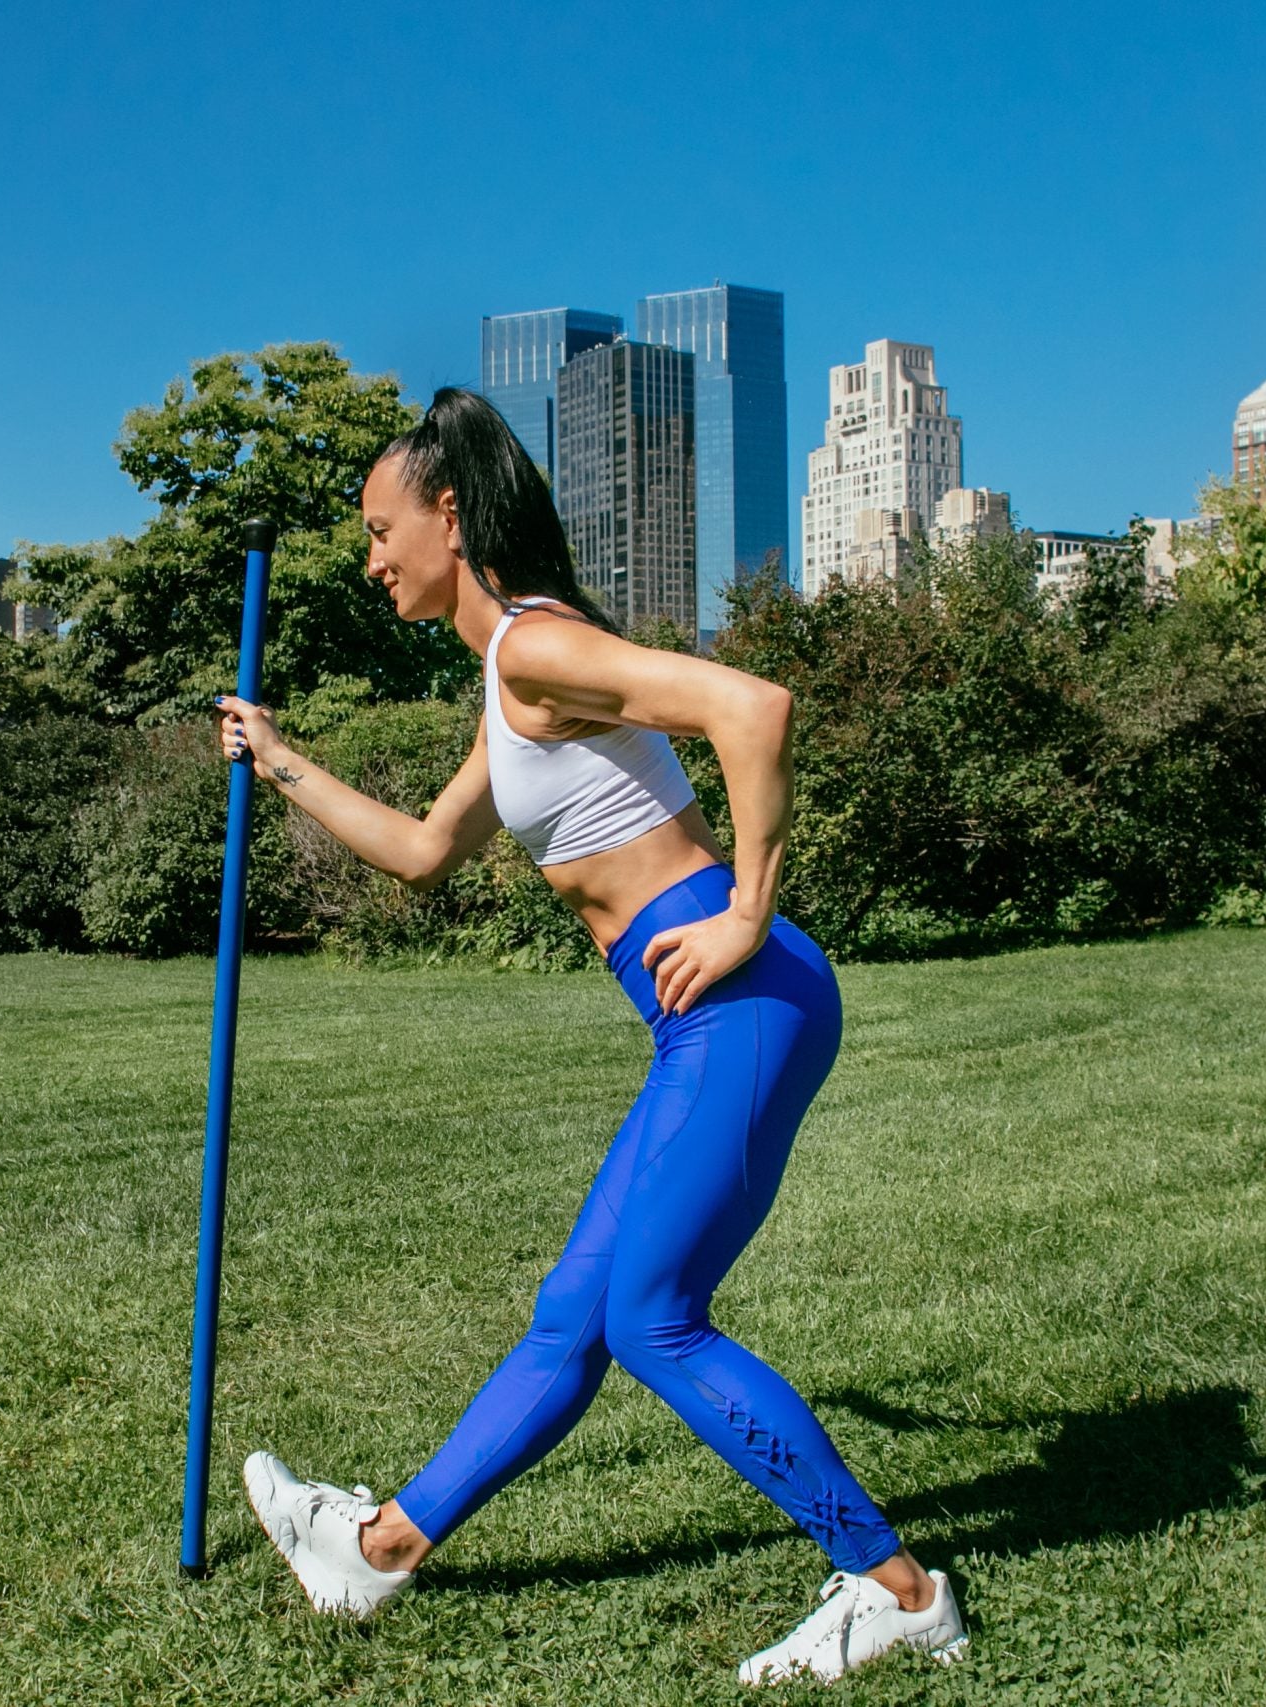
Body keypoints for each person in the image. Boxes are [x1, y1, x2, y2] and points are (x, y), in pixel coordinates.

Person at [216, 389, 968, 1685]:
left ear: (450, 516)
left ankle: (894, 1588)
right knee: (577, 1313)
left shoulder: (534, 653)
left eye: (383, 528)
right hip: (707, 1020)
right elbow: (420, 853)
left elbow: (756, 707)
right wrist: (277, 757)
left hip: (739, 996)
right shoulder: (513, 675)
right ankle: (378, 1549)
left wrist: (746, 910)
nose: (374, 556)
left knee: (653, 1316)